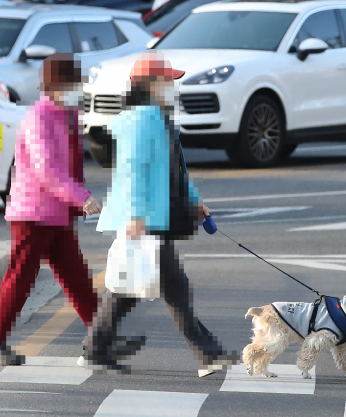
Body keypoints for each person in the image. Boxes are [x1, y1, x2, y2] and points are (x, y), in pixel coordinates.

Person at [82, 51, 238, 377]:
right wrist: (137, 214)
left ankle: (95, 348)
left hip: (153, 216)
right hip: (144, 219)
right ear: (149, 84)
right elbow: (133, 171)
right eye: (168, 81)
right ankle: (207, 354)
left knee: (127, 290)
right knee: (173, 287)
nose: (172, 86)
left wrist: (194, 201)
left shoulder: (157, 117)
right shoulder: (139, 120)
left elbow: (176, 170)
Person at [0, 53, 102, 366]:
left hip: (56, 213)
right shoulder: (39, 118)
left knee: (77, 278)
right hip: (32, 213)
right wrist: (81, 197)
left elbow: (70, 164)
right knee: (21, 277)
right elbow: (48, 170)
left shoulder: (67, 113)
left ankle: (103, 336)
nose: (77, 89)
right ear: (55, 85)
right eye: (72, 83)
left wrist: (74, 199)